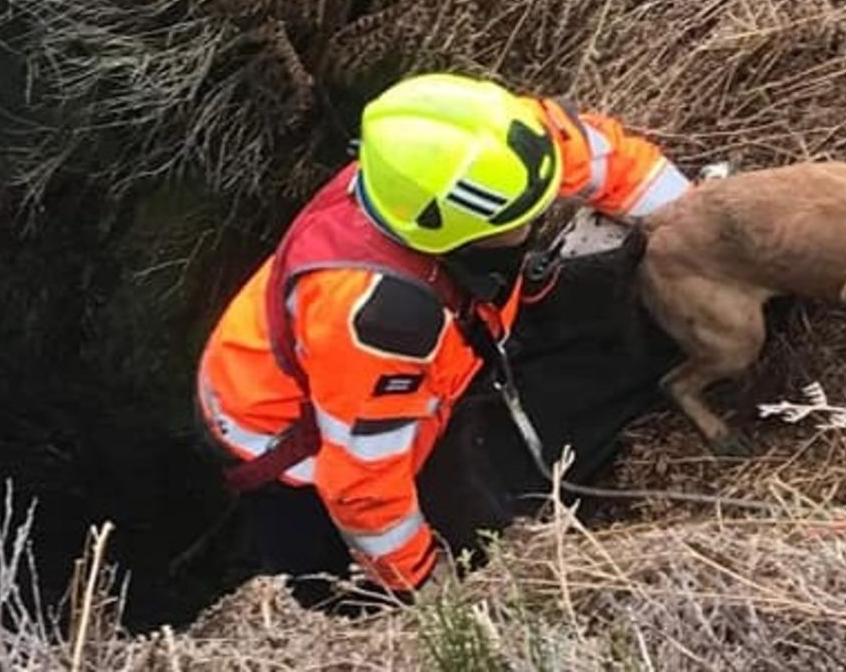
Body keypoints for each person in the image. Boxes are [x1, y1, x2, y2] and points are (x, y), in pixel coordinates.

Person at [194, 71, 690, 608]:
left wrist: (694, 227)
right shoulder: (382, 320)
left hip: (375, 364)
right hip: (289, 438)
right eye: (518, 226)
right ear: (450, 236)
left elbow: (599, 156)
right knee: (338, 588)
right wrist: (425, 589)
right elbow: (364, 484)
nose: (536, 225)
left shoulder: (492, 148)